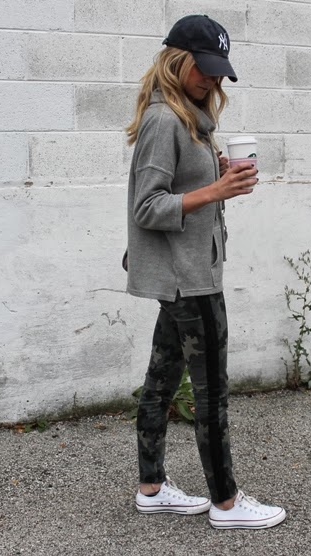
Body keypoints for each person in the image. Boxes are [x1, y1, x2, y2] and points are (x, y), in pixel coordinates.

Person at [124, 14, 286, 530]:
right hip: (189, 279)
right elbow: (147, 207)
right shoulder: (164, 120)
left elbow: (180, 190)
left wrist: (217, 177)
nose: (213, 79)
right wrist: (215, 190)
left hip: (187, 274)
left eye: (219, 70)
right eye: (205, 68)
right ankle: (227, 504)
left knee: (161, 381)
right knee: (211, 391)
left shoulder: (188, 119)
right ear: (177, 61)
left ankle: (151, 489)